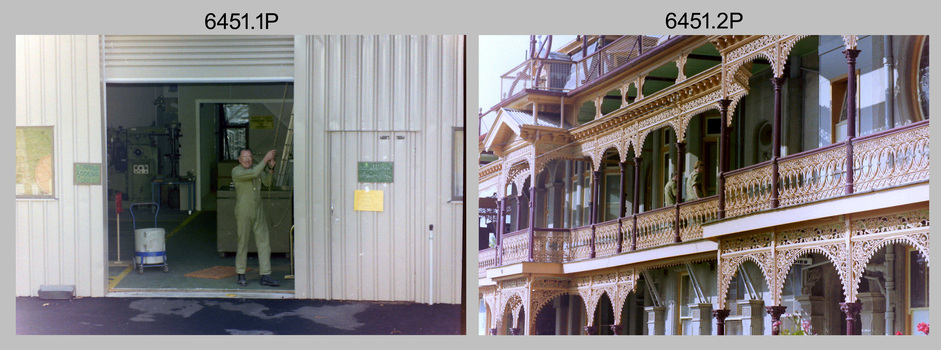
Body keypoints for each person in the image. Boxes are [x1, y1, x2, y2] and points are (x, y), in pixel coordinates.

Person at [232, 148, 280, 287]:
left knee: (264, 242)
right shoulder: (236, 171)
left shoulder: (257, 168)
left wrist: (271, 168)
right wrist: (265, 159)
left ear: (252, 159)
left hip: (258, 210)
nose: (247, 160)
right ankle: (241, 273)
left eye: (249, 157)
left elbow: (268, 183)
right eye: (244, 157)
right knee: (243, 242)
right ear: (239, 159)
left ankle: (266, 275)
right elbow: (253, 173)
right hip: (243, 211)